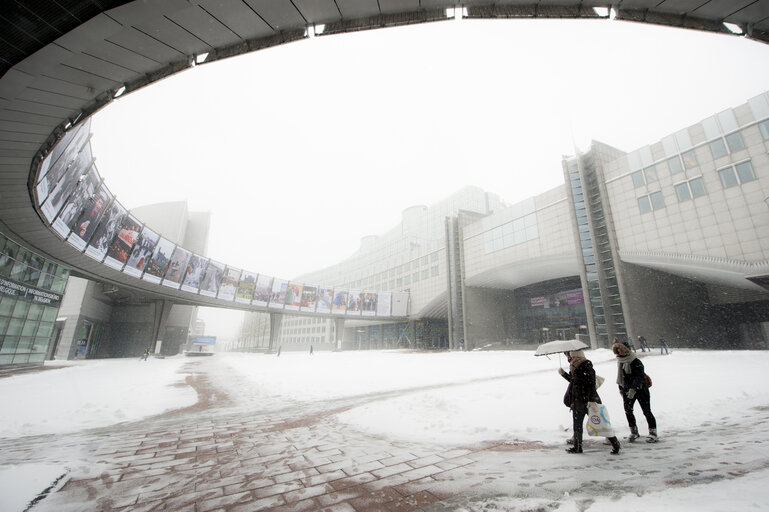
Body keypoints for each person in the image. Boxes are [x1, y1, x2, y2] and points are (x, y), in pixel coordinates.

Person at [559, 350, 621, 455]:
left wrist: (591, 400)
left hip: (588, 400)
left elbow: (591, 384)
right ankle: (577, 447)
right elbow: (574, 381)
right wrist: (564, 374)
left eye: (571, 355)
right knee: (577, 425)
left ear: (576, 356)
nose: (569, 357)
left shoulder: (586, 365)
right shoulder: (574, 366)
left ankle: (615, 443)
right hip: (577, 400)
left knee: (601, 422)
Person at [612, 343, 658, 442]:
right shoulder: (620, 361)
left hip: (641, 390)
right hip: (626, 390)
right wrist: (621, 389)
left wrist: (633, 389)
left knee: (646, 411)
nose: (620, 352)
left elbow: (639, 377)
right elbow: (621, 377)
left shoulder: (635, 361)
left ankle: (653, 432)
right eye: (618, 350)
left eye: (621, 349)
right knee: (628, 411)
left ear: (627, 350)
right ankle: (634, 431)